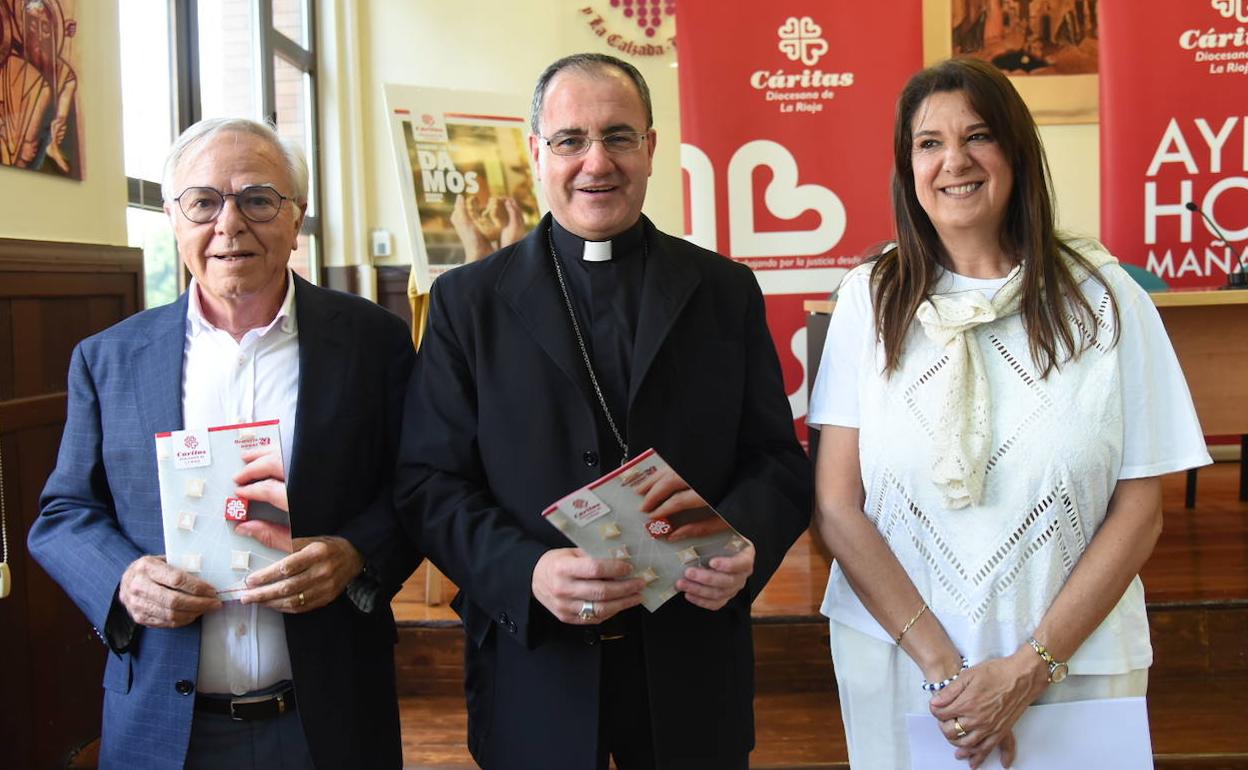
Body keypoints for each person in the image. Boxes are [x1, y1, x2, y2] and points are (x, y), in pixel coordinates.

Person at [396, 53, 810, 770]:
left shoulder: (722, 291)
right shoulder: (468, 303)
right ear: (535, 153)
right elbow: (427, 483)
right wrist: (526, 571)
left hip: (691, 660)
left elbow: (777, 461)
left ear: (650, 149)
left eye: (618, 137)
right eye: (570, 140)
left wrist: (745, 542)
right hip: (537, 666)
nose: (596, 162)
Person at [808, 57, 1210, 769]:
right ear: (907, 168)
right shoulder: (868, 301)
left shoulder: (1106, 299)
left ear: (1017, 152)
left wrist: (1030, 666)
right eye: (928, 143)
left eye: (978, 136)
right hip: (905, 663)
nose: (953, 160)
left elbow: (1141, 506)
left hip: (1071, 661)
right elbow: (839, 507)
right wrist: (943, 666)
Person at [28, 117, 420, 769]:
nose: (229, 225)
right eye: (204, 202)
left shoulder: (375, 343)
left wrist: (355, 555)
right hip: (163, 722)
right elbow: (64, 514)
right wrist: (123, 580)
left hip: (331, 715)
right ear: (174, 218)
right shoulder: (109, 359)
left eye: (258, 199)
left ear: (297, 218)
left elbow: (421, 487)